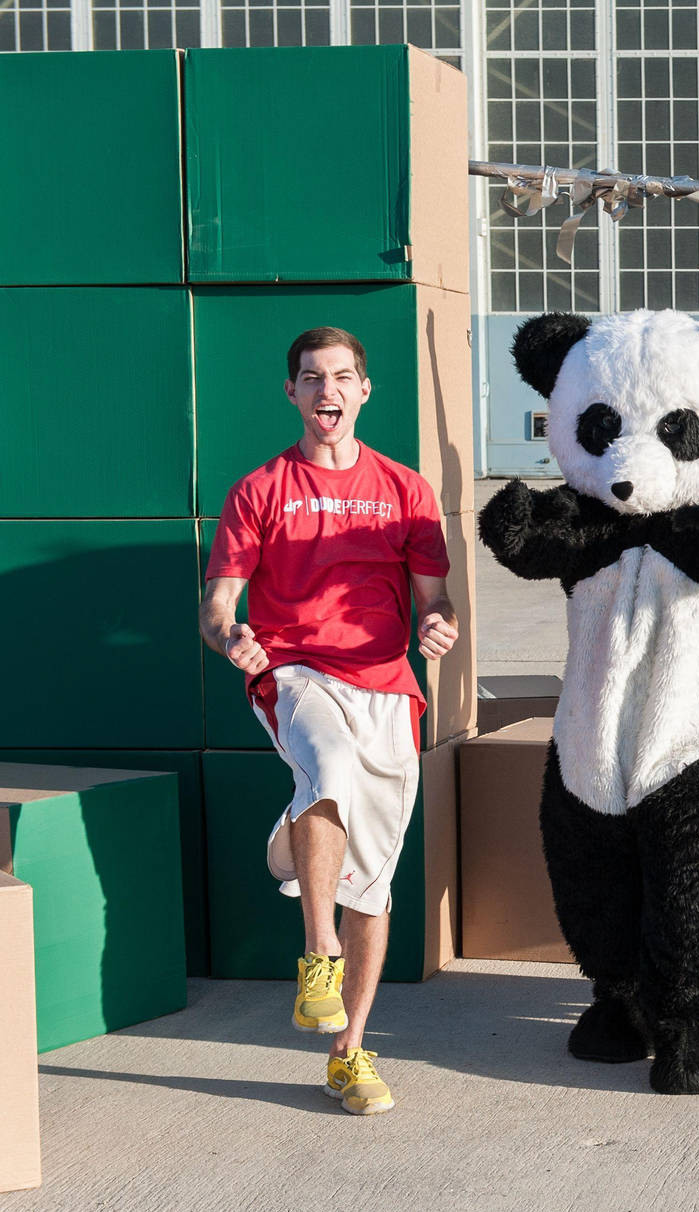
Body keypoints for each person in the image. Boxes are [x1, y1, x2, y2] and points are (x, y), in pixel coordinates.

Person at [200, 327, 459, 1116]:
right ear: (292, 393)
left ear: (364, 390)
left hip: (387, 687)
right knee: (330, 767)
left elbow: (436, 600)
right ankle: (318, 950)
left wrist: (439, 627)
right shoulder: (259, 489)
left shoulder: (407, 489)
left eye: (341, 377)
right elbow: (216, 607)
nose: (327, 391)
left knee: (375, 883)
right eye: (311, 378)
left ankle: (349, 1056)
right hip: (295, 672)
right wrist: (233, 638)